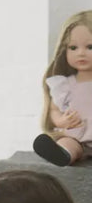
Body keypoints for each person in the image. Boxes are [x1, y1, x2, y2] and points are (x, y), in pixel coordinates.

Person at [33, 10, 92, 166]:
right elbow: (54, 109)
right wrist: (62, 120)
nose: (81, 53)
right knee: (68, 142)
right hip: (77, 136)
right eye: (73, 48)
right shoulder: (64, 85)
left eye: (90, 47)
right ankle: (63, 154)